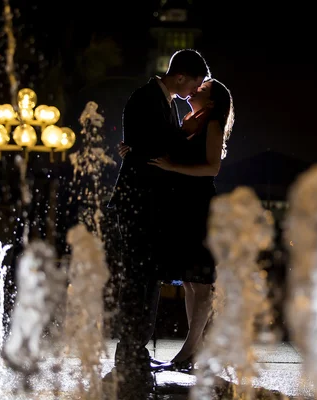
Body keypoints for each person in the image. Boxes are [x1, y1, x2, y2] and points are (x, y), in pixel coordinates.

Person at [106, 49, 210, 393]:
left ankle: (133, 350)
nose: (193, 92)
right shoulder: (146, 98)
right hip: (137, 205)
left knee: (146, 280)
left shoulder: (166, 102)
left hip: (148, 207)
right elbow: (157, 148)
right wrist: (186, 132)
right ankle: (130, 354)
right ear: (181, 76)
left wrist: (138, 149)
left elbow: (151, 147)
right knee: (139, 281)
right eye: (194, 84)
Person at [118, 77, 235, 373]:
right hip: (183, 206)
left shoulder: (213, 123)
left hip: (200, 204)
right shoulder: (187, 118)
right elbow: (164, 148)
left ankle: (191, 349)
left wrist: (173, 167)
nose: (196, 89)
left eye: (203, 89)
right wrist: (133, 151)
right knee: (189, 280)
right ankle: (195, 348)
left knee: (203, 281)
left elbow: (212, 168)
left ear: (211, 101)